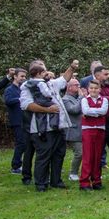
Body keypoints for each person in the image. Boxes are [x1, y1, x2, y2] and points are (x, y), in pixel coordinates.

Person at [20, 60, 78, 191]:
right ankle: (41, 183)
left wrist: (72, 67)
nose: (48, 72)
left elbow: (64, 79)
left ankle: (56, 181)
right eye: (45, 70)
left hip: (59, 126)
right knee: (44, 155)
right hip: (42, 128)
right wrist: (48, 110)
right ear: (39, 73)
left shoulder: (50, 83)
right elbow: (26, 105)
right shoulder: (28, 86)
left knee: (59, 153)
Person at [79, 80, 108, 191]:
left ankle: (96, 180)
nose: (93, 90)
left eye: (96, 88)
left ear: (99, 89)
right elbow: (85, 110)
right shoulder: (85, 100)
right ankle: (84, 182)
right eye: (91, 88)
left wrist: (92, 112)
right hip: (88, 129)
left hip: (100, 129)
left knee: (97, 156)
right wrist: (97, 112)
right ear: (88, 89)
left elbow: (104, 111)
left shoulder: (104, 100)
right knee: (88, 156)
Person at [4, 68, 27, 174]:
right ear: (15, 76)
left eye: (24, 76)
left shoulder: (22, 89)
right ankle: (15, 166)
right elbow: (8, 101)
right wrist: (20, 99)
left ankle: (21, 164)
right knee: (20, 143)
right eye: (21, 76)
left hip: (25, 119)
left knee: (25, 144)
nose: (23, 78)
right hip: (17, 120)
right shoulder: (10, 89)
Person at [62, 78, 84, 181]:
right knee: (79, 153)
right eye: (76, 85)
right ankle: (73, 173)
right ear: (69, 87)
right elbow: (74, 110)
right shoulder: (65, 99)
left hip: (84, 129)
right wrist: (81, 98)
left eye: (79, 84)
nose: (79, 86)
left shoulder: (78, 97)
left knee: (86, 152)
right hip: (74, 131)